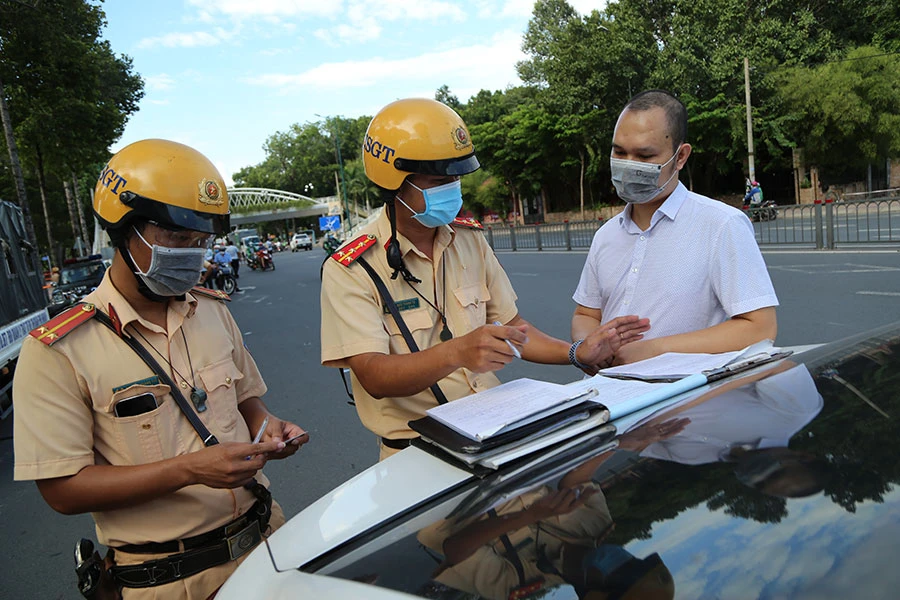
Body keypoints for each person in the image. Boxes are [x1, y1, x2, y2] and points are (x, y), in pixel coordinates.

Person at [12, 139, 309, 599]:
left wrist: (269, 428)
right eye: (176, 239)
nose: (193, 254)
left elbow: (247, 402)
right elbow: (63, 490)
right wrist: (189, 470)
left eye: (200, 242)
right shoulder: (59, 351)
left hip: (269, 541)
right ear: (124, 229)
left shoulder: (212, 311)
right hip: (169, 580)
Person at [320, 98, 649, 461]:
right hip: (415, 455)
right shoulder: (353, 267)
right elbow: (373, 376)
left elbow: (514, 327)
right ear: (393, 183)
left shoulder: (469, 240)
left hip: (495, 439)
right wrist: (456, 352)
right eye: (439, 181)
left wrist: (575, 353)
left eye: (457, 178)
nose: (453, 189)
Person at [571, 90, 778, 365]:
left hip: (683, 390)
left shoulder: (721, 225)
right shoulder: (605, 236)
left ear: (680, 156)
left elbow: (759, 327)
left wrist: (654, 350)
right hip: (608, 388)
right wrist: (590, 349)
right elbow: (586, 314)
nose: (628, 165)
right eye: (619, 152)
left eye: (644, 155)